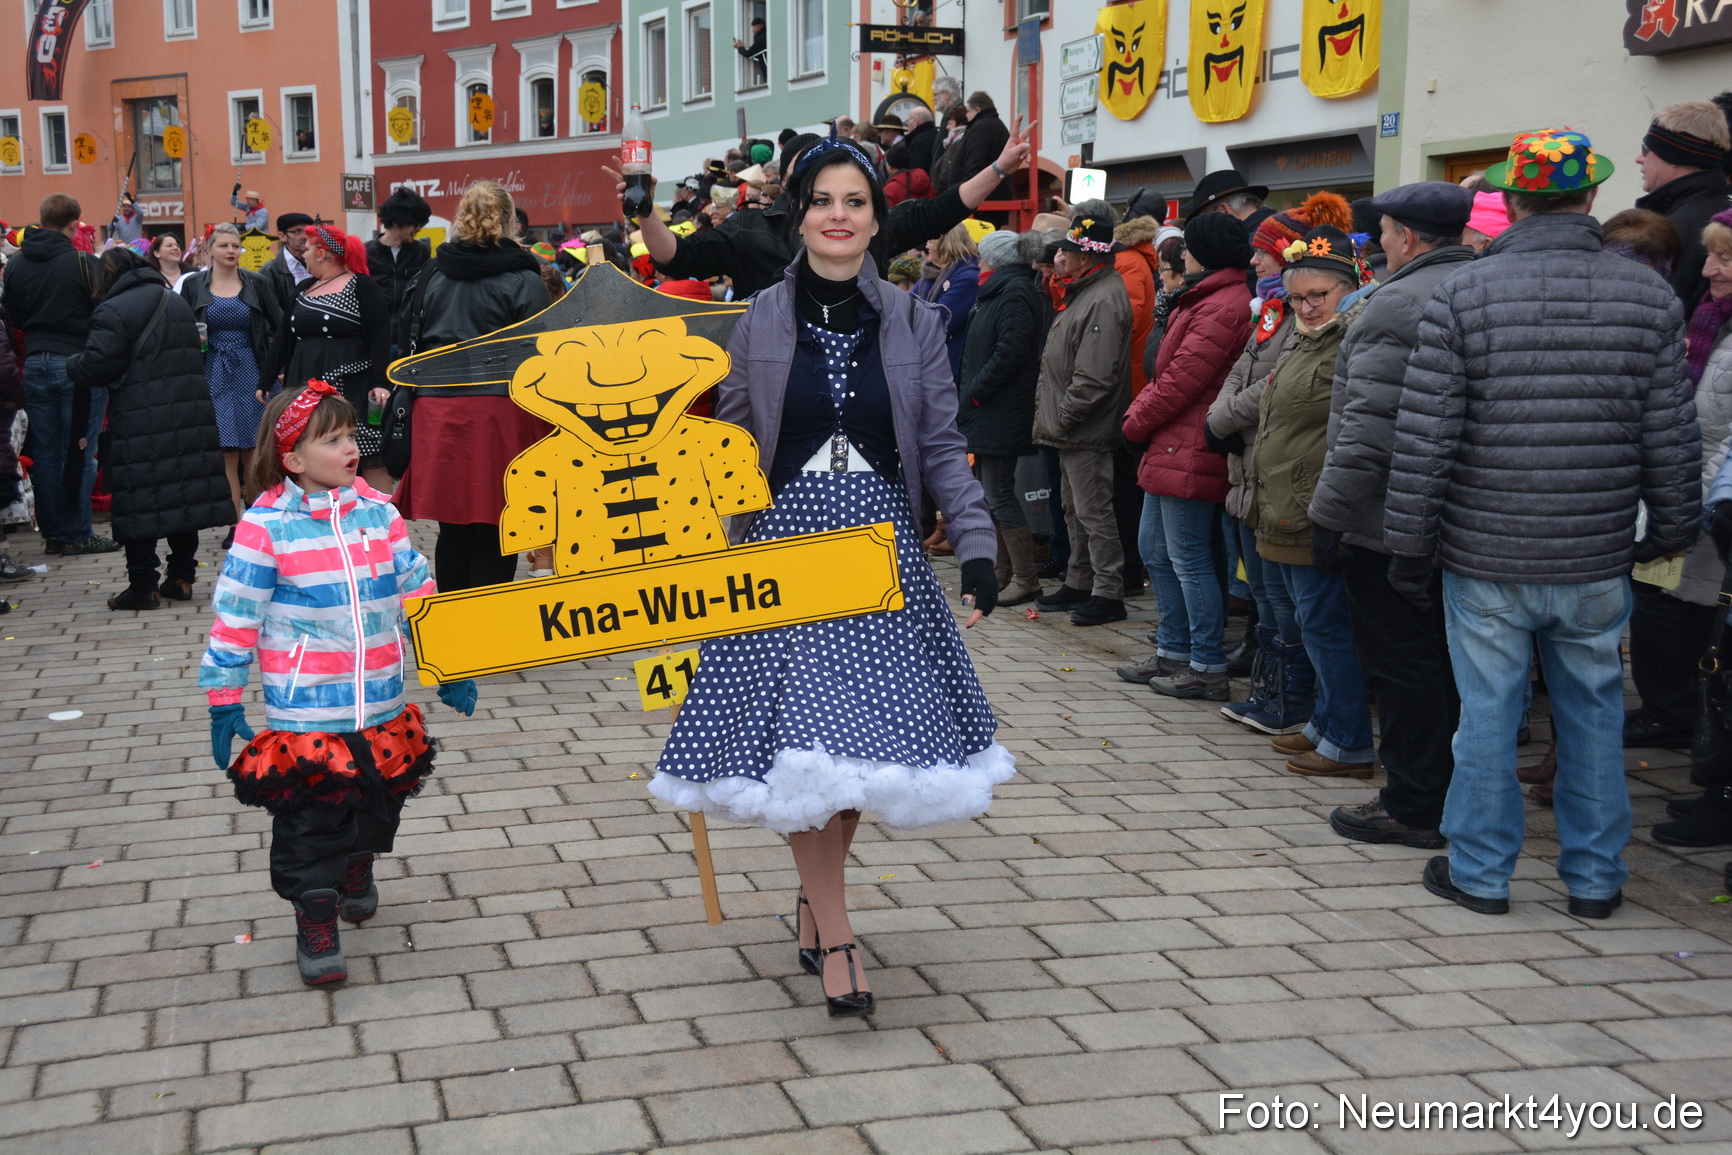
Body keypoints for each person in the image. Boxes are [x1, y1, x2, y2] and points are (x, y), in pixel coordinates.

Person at [646, 137, 1014, 1019]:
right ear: (799, 214)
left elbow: (936, 445)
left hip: (879, 558)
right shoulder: (760, 319)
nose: (838, 215)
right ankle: (840, 930)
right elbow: (730, 445)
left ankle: (816, 900)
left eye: (855, 201)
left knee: (854, 752)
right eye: (822, 200)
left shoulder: (916, 320)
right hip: (783, 555)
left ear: (878, 220)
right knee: (808, 738)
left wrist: (975, 541)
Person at [1385, 128, 1700, 919]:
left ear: (1514, 200)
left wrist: (1407, 546)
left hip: (1484, 549)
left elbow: (1427, 437)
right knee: (1591, 713)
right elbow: (1671, 434)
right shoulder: (1649, 296)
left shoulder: (1465, 293)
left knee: (1487, 714)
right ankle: (1595, 878)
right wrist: (1673, 527)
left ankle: (1483, 872)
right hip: (1594, 548)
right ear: (1590, 197)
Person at [201, 382, 476, 985]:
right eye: (332, 439)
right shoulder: (266, 528)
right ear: (293, 459)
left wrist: (447, 663)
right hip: (307, 712)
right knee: (311, 822)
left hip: (382, 699)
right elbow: (236, 616)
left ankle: (359, 865)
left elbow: (418, 593)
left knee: (380, 803)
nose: (351, 447)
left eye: (351, 434)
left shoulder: (380, 512)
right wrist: (224, 696)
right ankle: (315, 914)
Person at [1309, 182, 1476, 846]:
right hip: (1458, 516)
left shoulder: (1394, 305)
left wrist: (1328, 517)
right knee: (1445, 663)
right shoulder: (1476, 287)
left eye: (1384, 232)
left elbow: (1367, 429)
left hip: (1385, 519)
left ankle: (1412, 801)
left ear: (1406, 236)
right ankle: (1450, 792)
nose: (1380, 243)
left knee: (1403, 663)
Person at [1205, 198, 1352, 733]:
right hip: (1252, 474)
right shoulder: (1272, 311)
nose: (1256, 260)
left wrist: (1222, 421)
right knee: (1267, 593)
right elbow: (1243, 370)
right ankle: (1275, 692)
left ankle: (1296, 702)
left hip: (1286, 475)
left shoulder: (1324, 329)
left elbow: (1277, 387)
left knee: (1293, 603)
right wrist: (1220, 416)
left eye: (1264, 251)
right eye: (1299, 296)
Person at [627, 121, 1037, 300]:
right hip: (775, 385)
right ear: (789, 179)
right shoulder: (749, 228)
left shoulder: (867, 225)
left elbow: (939, 212)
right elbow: (678, 259)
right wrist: (645, 210)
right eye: (809, 168)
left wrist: (999, 168)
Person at [1253, 224, 1377, 778]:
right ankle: (1325, 722)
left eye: (1317, 296)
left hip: (1314, 503)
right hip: (1284, 499)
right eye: (1296, 296)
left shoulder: (1352, 339)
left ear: (1346, 289)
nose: (1304, 306)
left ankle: (1348, 739)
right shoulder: (1305, 339)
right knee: (1311, 620)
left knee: (1326, 625)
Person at [391, 181, 549, 592]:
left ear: (461, 219)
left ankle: (454, 628)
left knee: (454, 526)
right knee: (498, 526)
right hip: (500, 411)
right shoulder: (522, 278)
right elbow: (538, 351)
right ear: (512, 221)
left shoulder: (431, 272)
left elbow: (407, 330)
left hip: (437, 410)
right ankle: (487, 634)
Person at [1122, 213, 1254, 699]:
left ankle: (1206, 664)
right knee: (1155, 550)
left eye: (1189, 246)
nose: (1182, 255)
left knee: (1189, 558)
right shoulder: (1203, 296)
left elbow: (1179, 381)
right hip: (1174, 441)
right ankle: (1174, 651)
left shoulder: (1223, 304)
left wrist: (1134, 423)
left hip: (1192, 443)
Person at [67, 248, 233, 609]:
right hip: (189, 412)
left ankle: (144, 585)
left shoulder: (113, 309)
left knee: (138, 498)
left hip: (140, 415)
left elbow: (97, 366)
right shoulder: (172, 301)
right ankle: (181, 578)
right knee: (182, 495)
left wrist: (72, 364)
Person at [1649, 208, 1732, 850]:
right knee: (1708, 655)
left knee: (1717, 656)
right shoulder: (1711, 322)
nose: (1709, 271)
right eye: (1710, 255)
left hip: (1712, 512)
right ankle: (1714, 785)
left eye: (1725, 258)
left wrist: (1697, 503)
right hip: (1697, 506)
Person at [0, 194, 117, 556]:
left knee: (48, 454)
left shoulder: (17, 264)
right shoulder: (82, 262)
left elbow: (13, 315)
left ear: (41, 218)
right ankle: (78, 532)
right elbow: (103, 311)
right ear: (74, 223)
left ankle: (54, 533)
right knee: (81, 451)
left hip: (35, 362)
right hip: (76, 363)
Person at [1031, 217, 1134, 627]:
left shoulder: (1103, 298)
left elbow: (1094, 376)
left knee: (1093, 511)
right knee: (1075, 509)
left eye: (1065, 251)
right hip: (1073, 427)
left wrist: (1065, 416)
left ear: (1085, 256)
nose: (1059, 257)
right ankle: (1079, 580)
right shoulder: (1085, 293)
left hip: (1084, 427)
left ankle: (1108, 591)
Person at [959, 230, 1049, 607]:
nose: (978, 262)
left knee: (998, 493)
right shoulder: (998, 290)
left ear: (995, 260)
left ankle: (1025, 577)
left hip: (999, 407)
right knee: (989, 493)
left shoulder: (1014, 292)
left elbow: (1010, 352)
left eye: (982, 256)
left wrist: (977, 391)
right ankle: (1001, 571)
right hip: (988, 408)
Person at [272, 225, 392, 490]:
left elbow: (380, 337)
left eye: (307, 249)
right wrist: (266, 378)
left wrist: (380, 381)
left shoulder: (361, 285)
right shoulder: (304, 287)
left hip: (352, 383)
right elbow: (284, 337)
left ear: (322, 253)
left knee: (366, 451)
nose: (303, 255)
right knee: (308, 448)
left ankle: (382, 521)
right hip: (305, 380)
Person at [179, 222, 283, 526]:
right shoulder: (193, 285)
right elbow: (183, 330)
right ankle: (233, 523)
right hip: (212, 372)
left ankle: (256, 520)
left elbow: (279, 328)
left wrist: (278, 369)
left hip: (253, 371)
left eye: (236, 246)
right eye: (224, 245)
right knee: (225, 451)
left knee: (254, 449)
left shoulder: (257, 283)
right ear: (208, 250)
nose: (231, 251)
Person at [1635, 101, 1732, 314]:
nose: (1639, 159)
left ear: (1675, 157)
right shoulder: (1721, 213)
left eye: (1646, 150)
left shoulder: (1672, 229)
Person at [366, 187, 433, 358]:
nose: (419, 229)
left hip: (409, 341)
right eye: (415, 223)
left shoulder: (421, 252)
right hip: (373, 342)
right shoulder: (365, 253)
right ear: (398, 221)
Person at [916, 222, 979, 378]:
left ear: (945, 244)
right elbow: (905, 302)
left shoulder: (968, 277)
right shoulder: (932, 271)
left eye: (931, 241)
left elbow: (939, 320)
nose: (927, 246)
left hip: (949, 366)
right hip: (930, 361)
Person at [954, 93, 1012, 200]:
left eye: (968, 111)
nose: (966, 116)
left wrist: (967, 194)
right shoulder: (998, 125)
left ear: (977, 110)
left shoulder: (981, 129)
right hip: (994, 197)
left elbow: (974, 163)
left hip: (982, 201)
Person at [262, 212, 315, 318]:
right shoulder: (270, 272)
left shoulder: (321, 264)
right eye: (297, 231)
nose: (305, 236)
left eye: (307, 231)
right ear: (282, 236)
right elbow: (268, 316)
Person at [1182, 169, 1273, 231]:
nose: (1206, 229)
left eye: (1207, 220)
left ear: (1224, 211)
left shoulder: (1245, 247)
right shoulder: (1279, 228)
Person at [899, 106, 941, 176]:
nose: (907, 125)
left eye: (908, 121)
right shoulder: (937, 135)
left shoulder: (919, 142)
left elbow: (917, 171)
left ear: (915, 123)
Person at [733, 16, 767, 83]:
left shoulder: (761, 38)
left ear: (758, 26)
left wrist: (739, 47)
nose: (753, 30)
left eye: (753, 27)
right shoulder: (765, 36)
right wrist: (742, 47)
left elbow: (749, 53)